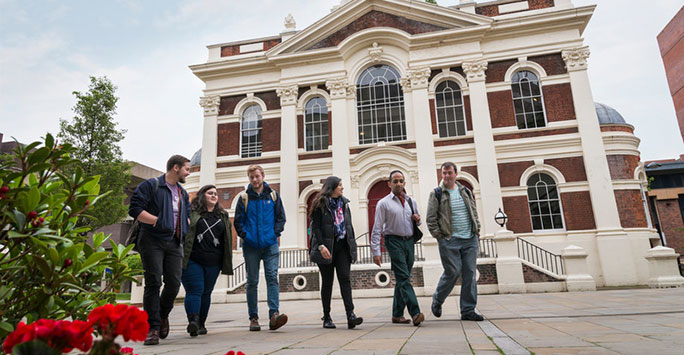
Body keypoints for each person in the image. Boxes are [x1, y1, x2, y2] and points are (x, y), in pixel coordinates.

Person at [129, 155, 191, 345]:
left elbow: (186, 215)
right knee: (153, 282)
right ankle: (152, 328)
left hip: (174, 242)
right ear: (175, 168)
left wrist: (185, 225)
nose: (188, 172)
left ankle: (162, 315)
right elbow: (135, 209)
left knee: (173, 283)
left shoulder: (182, 193)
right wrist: (157, 221)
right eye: (186, 169)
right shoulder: (151, 185)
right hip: (152, 241)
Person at [426, 162, 483, 321]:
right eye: (444, 173)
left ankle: (467, 310)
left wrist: (476, 229)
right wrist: (439, 237)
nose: (447, 176)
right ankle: (438, 300)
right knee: (453, 272)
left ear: (456, 174)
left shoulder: (465, 191)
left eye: (449, 173)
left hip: (469, 239)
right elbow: (430, 219)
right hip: (449, 239)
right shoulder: (437, 193)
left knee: (470, 274)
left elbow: (473, 211)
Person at [233, 165, 288, 331]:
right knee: (252, 281)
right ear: (249, 178)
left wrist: (274, 234)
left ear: (262, 175)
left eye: (257, 176)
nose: (255, 180)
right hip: (251, 247)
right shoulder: (244, 198)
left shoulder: (273, 196)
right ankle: (254, 318)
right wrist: (246, 236)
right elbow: (238, 222)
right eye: (251, 177)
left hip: (270, 244)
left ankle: (274, 315)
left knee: (272, 277)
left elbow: (281, 218)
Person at [370, 170, 425, 326]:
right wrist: (376, 251)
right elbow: (377, 227)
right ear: (389, 184)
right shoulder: (383, 203)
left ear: (404, 183)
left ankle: (397, 314)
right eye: (395, 181)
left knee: (403, 278)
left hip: (409, 242)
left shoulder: (411, 201)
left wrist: (418, 219)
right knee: (403, 276)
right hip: (393, 241)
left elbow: (418, 221)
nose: (398, 184)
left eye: (401, 181)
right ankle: (415, 312)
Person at [309, 176, 364, 329]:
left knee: (345, 279)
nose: (342, 188)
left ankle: (350, 315)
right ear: (331, 187)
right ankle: (327, 317)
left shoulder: (345, 204)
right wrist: (320, 246)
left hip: (342, 247)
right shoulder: (319, 203)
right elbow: (316, 228)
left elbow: (348, 226)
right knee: (327, 283)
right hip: (326, 248)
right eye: (340, 185)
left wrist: (352, 246)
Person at [181, 184, 233, 336]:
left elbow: (226, 239)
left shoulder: (222, 216)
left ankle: (201, 324)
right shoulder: (192, 213)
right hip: (193, 259)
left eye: (215, 194)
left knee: (206, 292)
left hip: (214, 262)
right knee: (195, 290)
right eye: (210, 193)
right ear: (202, 195)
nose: (213, 196)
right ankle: (193, 321)